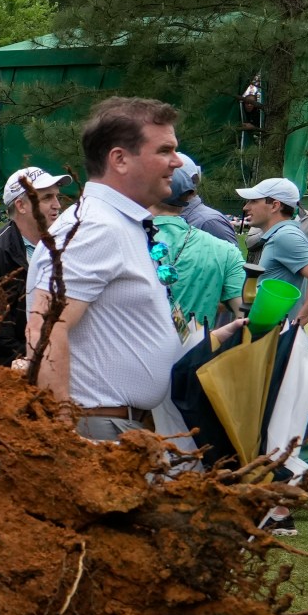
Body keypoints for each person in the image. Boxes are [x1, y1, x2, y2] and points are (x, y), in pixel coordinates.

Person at [30, 97, 187, 440]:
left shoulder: (119, 223)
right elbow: (46, 326)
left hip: (122, 425)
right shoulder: (96, 228)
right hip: (97, 431)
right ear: (119, 159)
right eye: (165, 150)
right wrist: (62, 437)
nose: (177, 162)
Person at [0, 169, 64, 364]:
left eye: (57, 196)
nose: (57, 205)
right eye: (47, 198)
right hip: (13, 374)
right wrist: (34, 360)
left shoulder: (63, 246)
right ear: (21, 205)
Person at [153, 178, 244, 331]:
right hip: (197, 351)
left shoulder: (120, 237)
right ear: (190, 194)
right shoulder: (226, 251)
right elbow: (247, 313)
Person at [241, 176, 308, 328]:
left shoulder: (285, 236)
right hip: (269, 335)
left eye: (253, 201)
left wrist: (296, 326)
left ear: (275, 206)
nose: (246, 207)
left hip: (274, 338)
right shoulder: (282, 234)